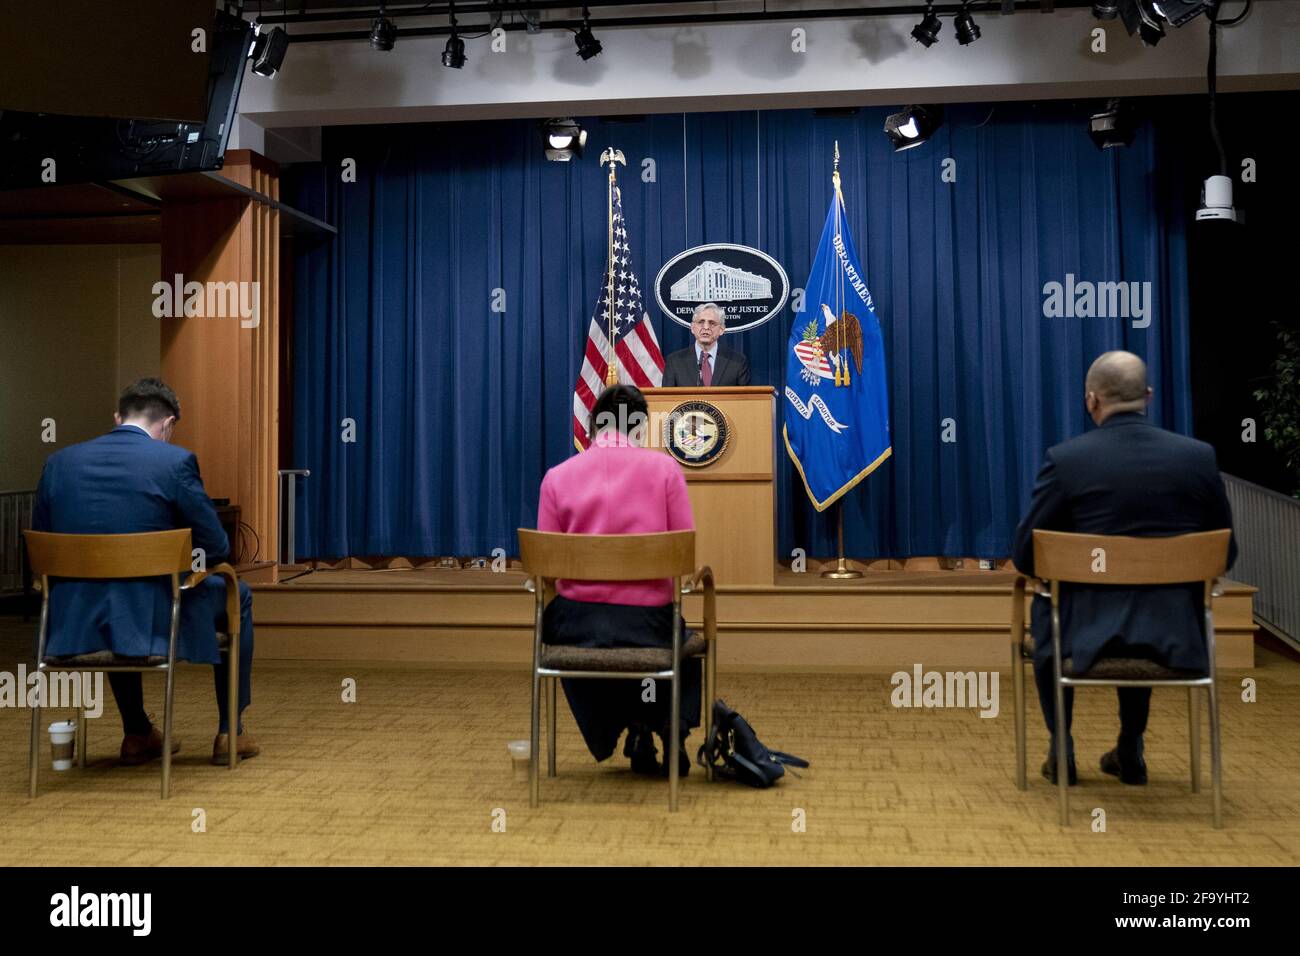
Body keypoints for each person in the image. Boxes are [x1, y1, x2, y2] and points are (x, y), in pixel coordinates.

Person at [1013, 351, 1235, 787]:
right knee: (1145, 603)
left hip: (1083, 634)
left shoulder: (1067, 460)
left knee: (1046, 608)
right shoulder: (1198, 457)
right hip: (1174, 633)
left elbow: (1026, 553)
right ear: (1147, 397)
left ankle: (1063, 746)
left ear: (1091, 400)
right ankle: (1131, 746)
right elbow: (1225, 552)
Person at [31, 377, 259, 766]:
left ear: (118, 417)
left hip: (76, 615)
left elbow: (41, 541)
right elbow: (218, 547)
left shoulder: (59, 463)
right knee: (241, 593)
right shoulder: (174, 462)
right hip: (156, 610)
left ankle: (137, 733)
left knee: (112, 593)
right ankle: (228, 732)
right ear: (168, 424)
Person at [536, 384, 702, 775]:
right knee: (681, 641)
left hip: (577, 624)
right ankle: (667, 731)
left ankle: (631, 728)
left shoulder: (556, 477)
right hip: (648, 622)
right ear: (641, 428)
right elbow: (685, 560)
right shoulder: (666, 470)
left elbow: (545, 569)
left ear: (594, 427)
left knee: (593, 639)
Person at [661, 302, 751, 387]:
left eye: (712, 323)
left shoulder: (737, 362)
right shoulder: (675, 362)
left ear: (721, 329)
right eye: (701, 322)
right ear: (692, 328)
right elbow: (667, 400)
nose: (706, 327)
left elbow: (744, 400)